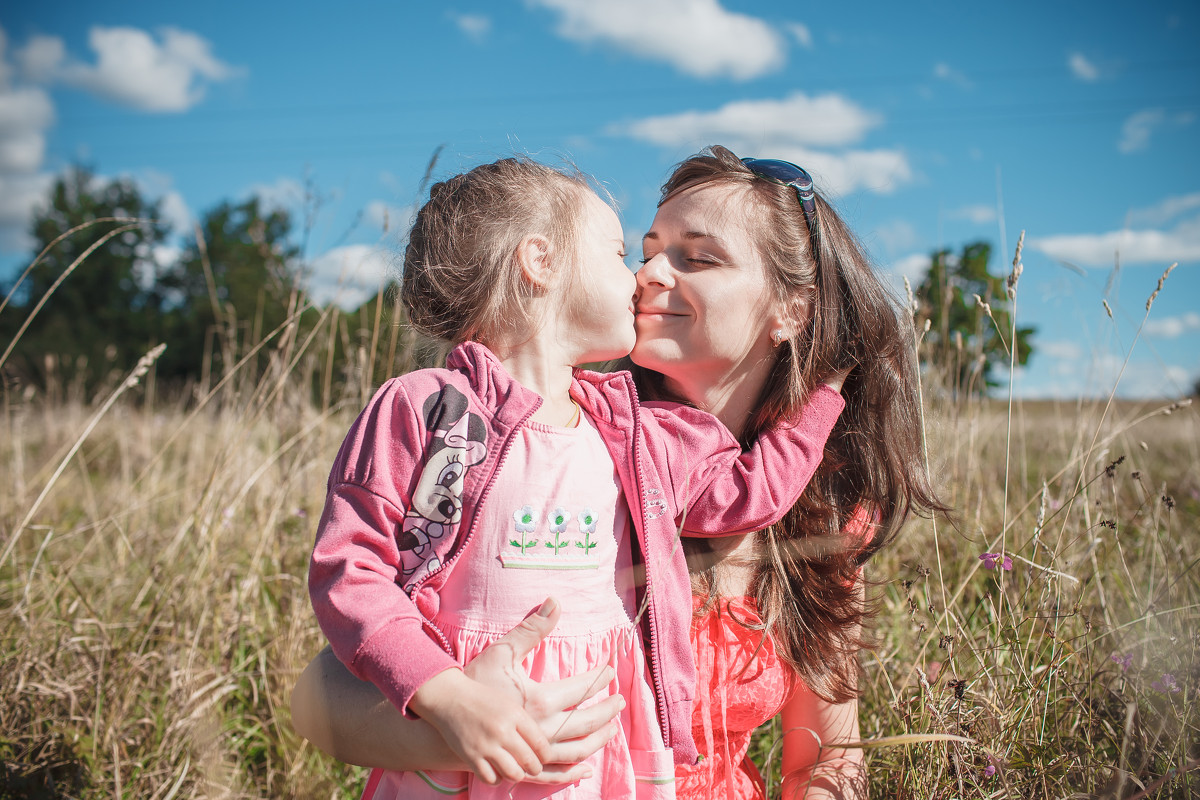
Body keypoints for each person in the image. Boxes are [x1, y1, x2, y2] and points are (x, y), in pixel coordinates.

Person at [294, 146, 942, 799]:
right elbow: (319, 695)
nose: (648, 273)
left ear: (792, 311)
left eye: (699, 257)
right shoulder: (528, 441)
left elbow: (829, 759)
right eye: (642, 250)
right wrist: (470, 729)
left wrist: (824, 398)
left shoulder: (822, 519)